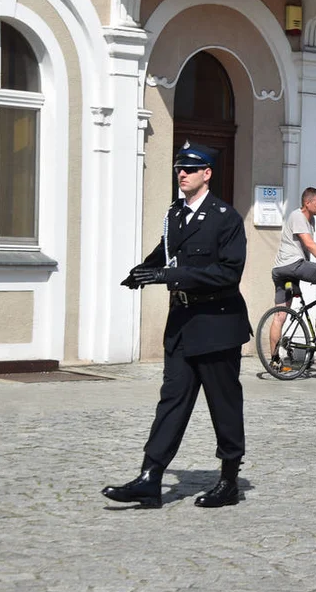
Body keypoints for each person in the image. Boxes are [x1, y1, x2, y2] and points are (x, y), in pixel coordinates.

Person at [103, 142, 251, 508]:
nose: (182, 173)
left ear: (207, 174)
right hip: (183, 324)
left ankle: (229, 480)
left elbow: (228, 274)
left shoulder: (225, 217)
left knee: (224, 404)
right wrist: (142, 271)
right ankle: (150, 477)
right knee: (171, 401)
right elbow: (168, 251)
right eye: (178, 168)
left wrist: (171, 274)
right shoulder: (175, 215)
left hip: (217, 325)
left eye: (190, 168)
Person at [269, 187, 316, 370]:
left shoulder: (310, 220)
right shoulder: (298, 216)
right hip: (293, 266)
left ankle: (274, 361)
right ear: (307, 203)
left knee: (280, 315)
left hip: (280, 270)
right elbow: (309, 244)